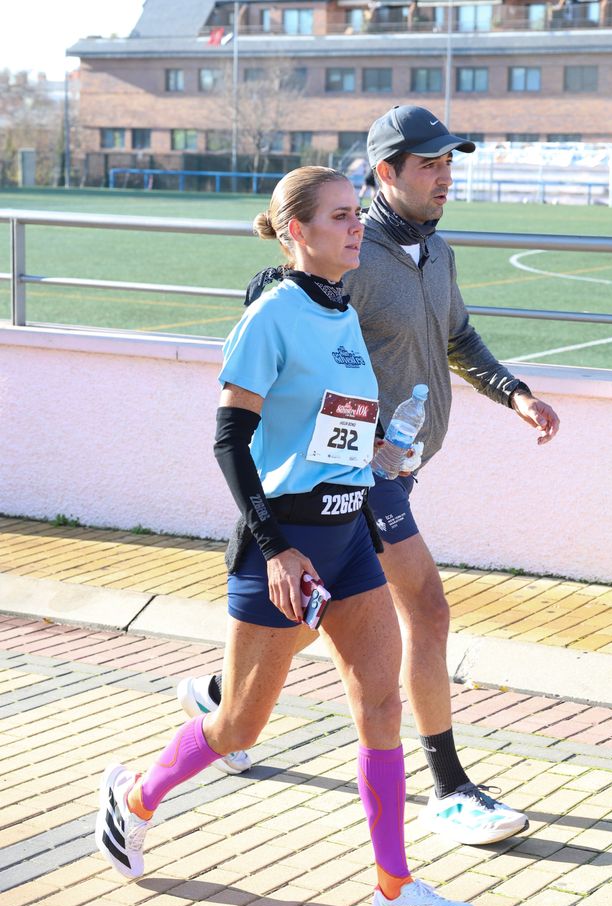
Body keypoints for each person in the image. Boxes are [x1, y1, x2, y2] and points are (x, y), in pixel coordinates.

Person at [96, 165, 475, 906]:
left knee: (380, 703)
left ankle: (394, 887)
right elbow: (230, 440)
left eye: (354, 215)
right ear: (297, 231)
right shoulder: (272, 315)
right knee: (239, 725)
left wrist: (378, 454)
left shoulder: (339, 312)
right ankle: (134, 796)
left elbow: (323, 427)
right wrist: (274, 549)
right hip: (287, 545)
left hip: (348, 537)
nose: (354, 226)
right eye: (339, 216)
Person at [180, 106, 560, 849]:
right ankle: (448, 788)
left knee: (313, 622)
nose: (446, 177)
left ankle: (225, 699)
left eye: (451, 164)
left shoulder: (435, 253)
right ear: (387, 172)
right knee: (427, 606)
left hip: (398, 467)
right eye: (430, 164)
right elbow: (292, 298)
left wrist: (514, 392)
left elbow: (458, 337)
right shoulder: (355, 248)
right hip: (350, 471)